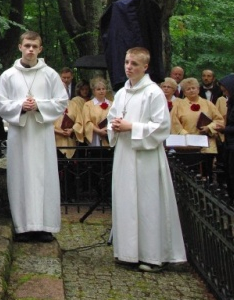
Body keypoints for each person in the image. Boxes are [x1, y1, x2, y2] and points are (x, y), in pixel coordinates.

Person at [108, 47, 187, 273]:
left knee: (147, 203)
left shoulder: (153, 92)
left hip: (146, 158)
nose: (128, 67)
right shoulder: (122, 92)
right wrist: (113, 125)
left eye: (134, 63)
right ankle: (128, 253)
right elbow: (112, 117)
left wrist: (130, 126)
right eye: (126, 62)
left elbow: (162, 127)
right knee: (126, 200)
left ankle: (153, 256)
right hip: (124, 154)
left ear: (145, 67)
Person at [0, 31, 67, 242]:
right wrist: (21, 107)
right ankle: (23, 226)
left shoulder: (50, 74)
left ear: (40, 49)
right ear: (20, 47)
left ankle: (44, 226)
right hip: (20, 134)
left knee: (44, 177)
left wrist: (40, 105)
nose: (30, 50)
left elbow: (62, 101)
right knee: (20, 176)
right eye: (27, 45)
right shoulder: (8, 75)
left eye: (35, 46)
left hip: (42, 134)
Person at [171, 77, 224, 177]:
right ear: (184, 92)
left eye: (193, 88)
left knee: (206, 174)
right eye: (188, 89)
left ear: (198, 89)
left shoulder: (208, 104)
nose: (191, 90)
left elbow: (219, 120)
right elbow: (174, 122)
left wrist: (209, 127)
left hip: (206, 145)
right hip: (186, 146)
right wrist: (185, 134)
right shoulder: (178, 105)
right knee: (188, 174)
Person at [214, 73, 234, 206]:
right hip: (232, 144)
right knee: (232, 176)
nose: (225, 93)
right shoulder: (233, 101)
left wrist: (225, 130)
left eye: (226, 91)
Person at [80, 77, 112, 147]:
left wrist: (107, 129)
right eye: (98, 89)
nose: (101, 91)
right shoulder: (88, 105)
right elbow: (86, 122)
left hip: (108, 137)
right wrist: (98, 131)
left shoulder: (112, 104)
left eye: (103, 89)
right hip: (95, 138)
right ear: (94, 91)